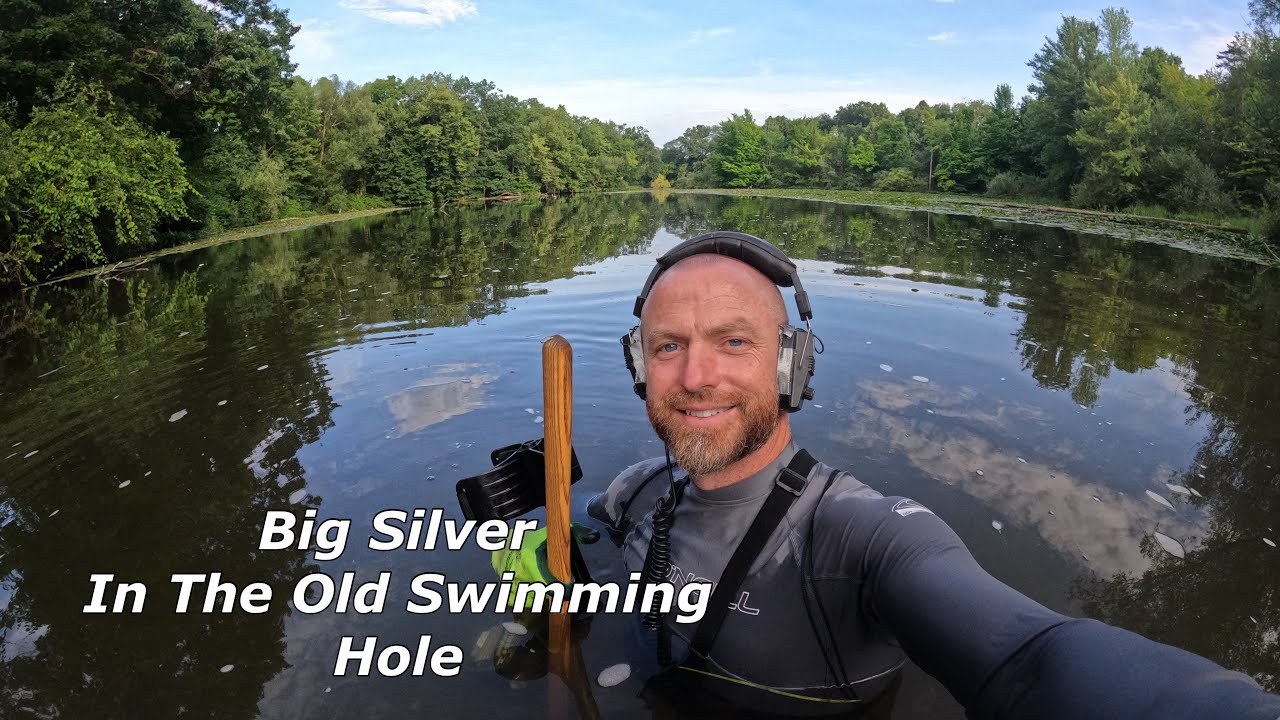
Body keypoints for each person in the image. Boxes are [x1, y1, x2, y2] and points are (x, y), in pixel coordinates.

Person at [584, 231, 1280, 719]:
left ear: (790, 366)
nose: (697, 377)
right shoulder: (637, 490)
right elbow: (569, 550)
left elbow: (1029, 657)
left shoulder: (860, 538)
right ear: (640, 368)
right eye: (668, 346)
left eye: (734, 342)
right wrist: (528, 536)